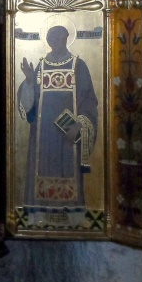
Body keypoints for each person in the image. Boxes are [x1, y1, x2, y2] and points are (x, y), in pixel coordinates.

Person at [17, 24, 97, 206]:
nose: (55, 43)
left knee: (68, 169)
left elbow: (89, 101)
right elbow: (30, 104)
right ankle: (42, 211)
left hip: (68, 134)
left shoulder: (78, 66)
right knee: (43, 170)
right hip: (44, 135)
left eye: (58, 39)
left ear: (66, 39)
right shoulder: (41, 66)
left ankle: (69, 213)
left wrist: (79, 124)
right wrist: (29, 80)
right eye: (52, 40)